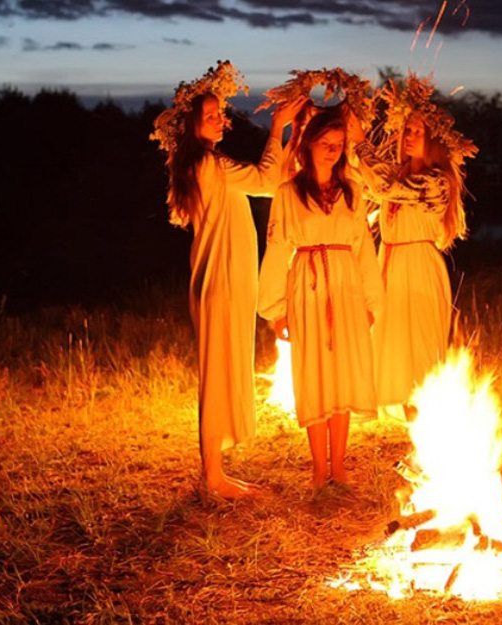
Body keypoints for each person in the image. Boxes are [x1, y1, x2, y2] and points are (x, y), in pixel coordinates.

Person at [153, 62, 305, 498]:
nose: (223, 120)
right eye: (212, 116)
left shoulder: (204, 163)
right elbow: (264, 180)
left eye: (222, 113)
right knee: (217, 373)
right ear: (192, 126)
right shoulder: (208, 164)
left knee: (223, 369)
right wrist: (278, 128)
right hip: (220, 279)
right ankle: (213, 477)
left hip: (222, 278)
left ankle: (216, 471)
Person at [258, 107, 383, 495]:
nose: (332, 151)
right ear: (309, 143)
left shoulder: (353, 192)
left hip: (346, 284)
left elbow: (364, 247)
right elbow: (278, 249)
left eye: (339, 145)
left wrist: (370, 301)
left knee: (343, 372)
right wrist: (276, 311)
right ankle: (318, 467)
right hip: (307, 286)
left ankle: (340, 465)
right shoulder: (288, 193)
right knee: (313, 373)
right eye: (326, 144)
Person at [345, 89, 474, 420]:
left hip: (418, 267)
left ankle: (428, 423)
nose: (410, 137)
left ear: (433, 140)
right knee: (391, 343)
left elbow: (383, 187)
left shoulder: (436, 182)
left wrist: (362, 141)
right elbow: (363, 174)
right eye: (408, 130)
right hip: (389, 263)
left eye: (419, 132)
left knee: (418, 345)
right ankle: (408, 416)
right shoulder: (399, 173)